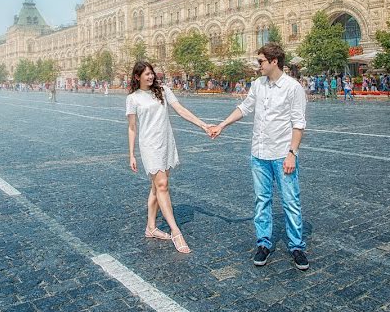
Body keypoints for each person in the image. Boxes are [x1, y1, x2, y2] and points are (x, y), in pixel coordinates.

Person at [208, 43, 310, 271]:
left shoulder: (293, 88)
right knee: (261, 201)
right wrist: (222, 125)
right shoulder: (257, 85)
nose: (258, 66)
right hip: (259, 154)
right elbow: (244, 108)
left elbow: (298, 123)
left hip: (282, 154)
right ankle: (263, 243)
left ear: (274, 61)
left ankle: (296, 247)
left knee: (290, 202)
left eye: (261, 61)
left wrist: (292, 153)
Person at [126, 61, 211, 255]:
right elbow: (132, 127)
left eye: (151, 73)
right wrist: (131, 154)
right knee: (162, 184)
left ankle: (151, 227)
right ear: (137, 77)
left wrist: (203, 125)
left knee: (157, 187)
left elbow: (181, 110)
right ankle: (175, 231)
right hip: (149, 145)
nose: (150, 77)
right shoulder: (133, 98)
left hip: (165, 142)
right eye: (146, 74)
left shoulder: (163, 90)